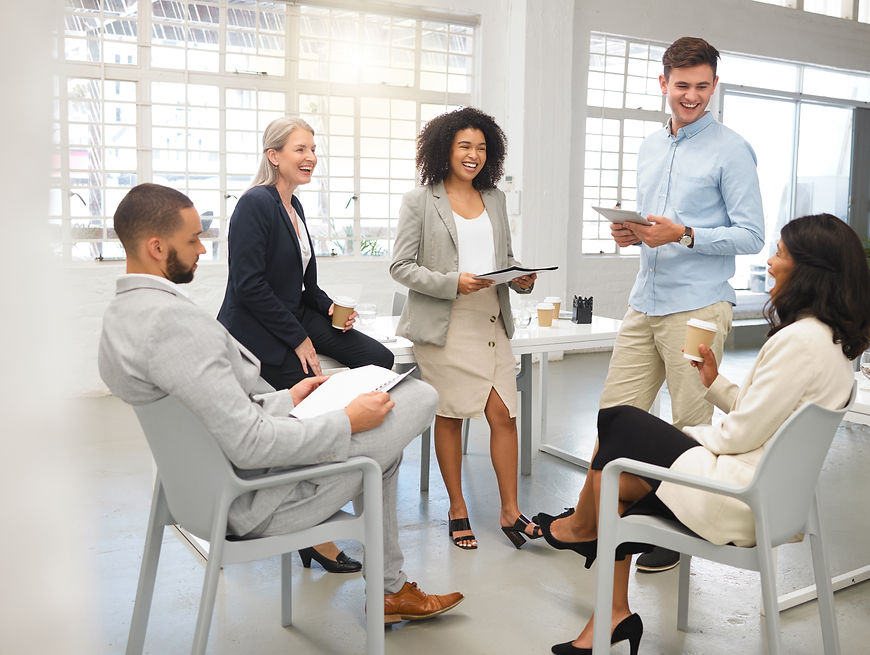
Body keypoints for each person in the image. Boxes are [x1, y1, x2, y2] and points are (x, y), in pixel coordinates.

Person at [100, 183, 464, 626]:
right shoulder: (174, 324)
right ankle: (389, 590)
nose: (202, 248)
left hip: (198, 493)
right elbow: (251, 445)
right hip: (249, 501)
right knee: (421, 396)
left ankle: (390, 590)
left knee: (383, 454)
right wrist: (346, 420)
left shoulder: (122, 317)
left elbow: (211, 412)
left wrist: (286, 398)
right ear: (157, 248)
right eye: (193, 239)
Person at [538, 213, 870, 654]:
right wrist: (713, 383)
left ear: (809, 270)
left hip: (739, 498)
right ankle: (613, 612)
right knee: (613, 480)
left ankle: (583, 533)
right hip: (773, 498)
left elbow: (738, 436)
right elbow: (765, 415)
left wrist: (687, 440)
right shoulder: (830, 342)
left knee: (619, 421)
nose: (770, 263)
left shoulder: (799, 341)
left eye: (780, 254)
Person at [536, 36, 766, 573]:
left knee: (690, 426)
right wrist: (632, 232)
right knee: (614, 417)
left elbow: (753, 235)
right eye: (682, 85)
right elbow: (653, 227)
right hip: (645, 301)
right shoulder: (649, 147)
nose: (692, 96)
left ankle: (676, 532)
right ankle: (594, 519)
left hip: (699, 307)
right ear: (663, 83)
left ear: (715, 84)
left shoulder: (732, 149)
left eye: (703, 86)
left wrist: (684, 234)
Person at [218, 117, 394, 573]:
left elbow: (303, 285)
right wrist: (297, 338)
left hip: (294, 313)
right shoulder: (254, 204)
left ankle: (355, 441)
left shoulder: (293, 206)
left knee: (379, 359)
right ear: (273, 155)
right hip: (255, 325)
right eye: (300, 149)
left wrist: (331, 306)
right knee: (310, 397)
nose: (311, 157)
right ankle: (313, 529)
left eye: (313, 149)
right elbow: (248, 285)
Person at [389, 107, 540, 551]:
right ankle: (457, 507)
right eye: (464, 146)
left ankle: (510, 512)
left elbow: (503, 258)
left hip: (492, 317)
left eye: (481, 147)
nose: (474, 155)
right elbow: (401, 266)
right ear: (445, 150)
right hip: (446, 322)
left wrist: (520, 277)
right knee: (451, 414)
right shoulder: (420, 201)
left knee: (503, 414)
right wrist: (453, 283)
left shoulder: (495, 198)